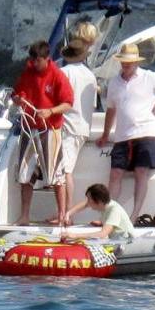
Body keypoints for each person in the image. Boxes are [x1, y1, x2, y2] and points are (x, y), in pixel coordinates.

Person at [99, 41, 155, 218]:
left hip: (147, 131)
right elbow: (111, 109)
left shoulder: (149, 76)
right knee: (115, 174)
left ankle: (134, 215)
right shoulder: (114, 82)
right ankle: (109, 215)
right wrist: (106, 134)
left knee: (141, 173)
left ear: (136, 62)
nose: (126, 64)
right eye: (123, 61)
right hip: (123, 136)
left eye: (129, 61)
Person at [11, 39, 74, 224]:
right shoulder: (28, 72)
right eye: (33, 59)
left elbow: (68, 103)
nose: (35, 63)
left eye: (38, 60)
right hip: (29, 128)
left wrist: (50, 111)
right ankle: (24, 216)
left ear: (47, 58)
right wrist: (17, 99)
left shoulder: (57, 75)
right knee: (25, 173)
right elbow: (16, 92)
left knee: (55, 174)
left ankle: (62, 215)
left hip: (50, 129)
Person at [56, 39, 97, 225]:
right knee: (66, 171)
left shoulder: (63, 73)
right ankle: (65, 213)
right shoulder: (90, 75)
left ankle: (66, 215)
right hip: (83, 127)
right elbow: (93, 105)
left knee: (65, 172)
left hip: (68, 127)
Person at [63, 182, 133, 238]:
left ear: (99, 201)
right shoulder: (107, 204)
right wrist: (68, 214)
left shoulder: (114, 210)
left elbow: (103, 234)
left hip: (125, 242)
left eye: (89, 199)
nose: (87, 202)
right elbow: (84, 204)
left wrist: (75, 235)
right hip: (117, 239)